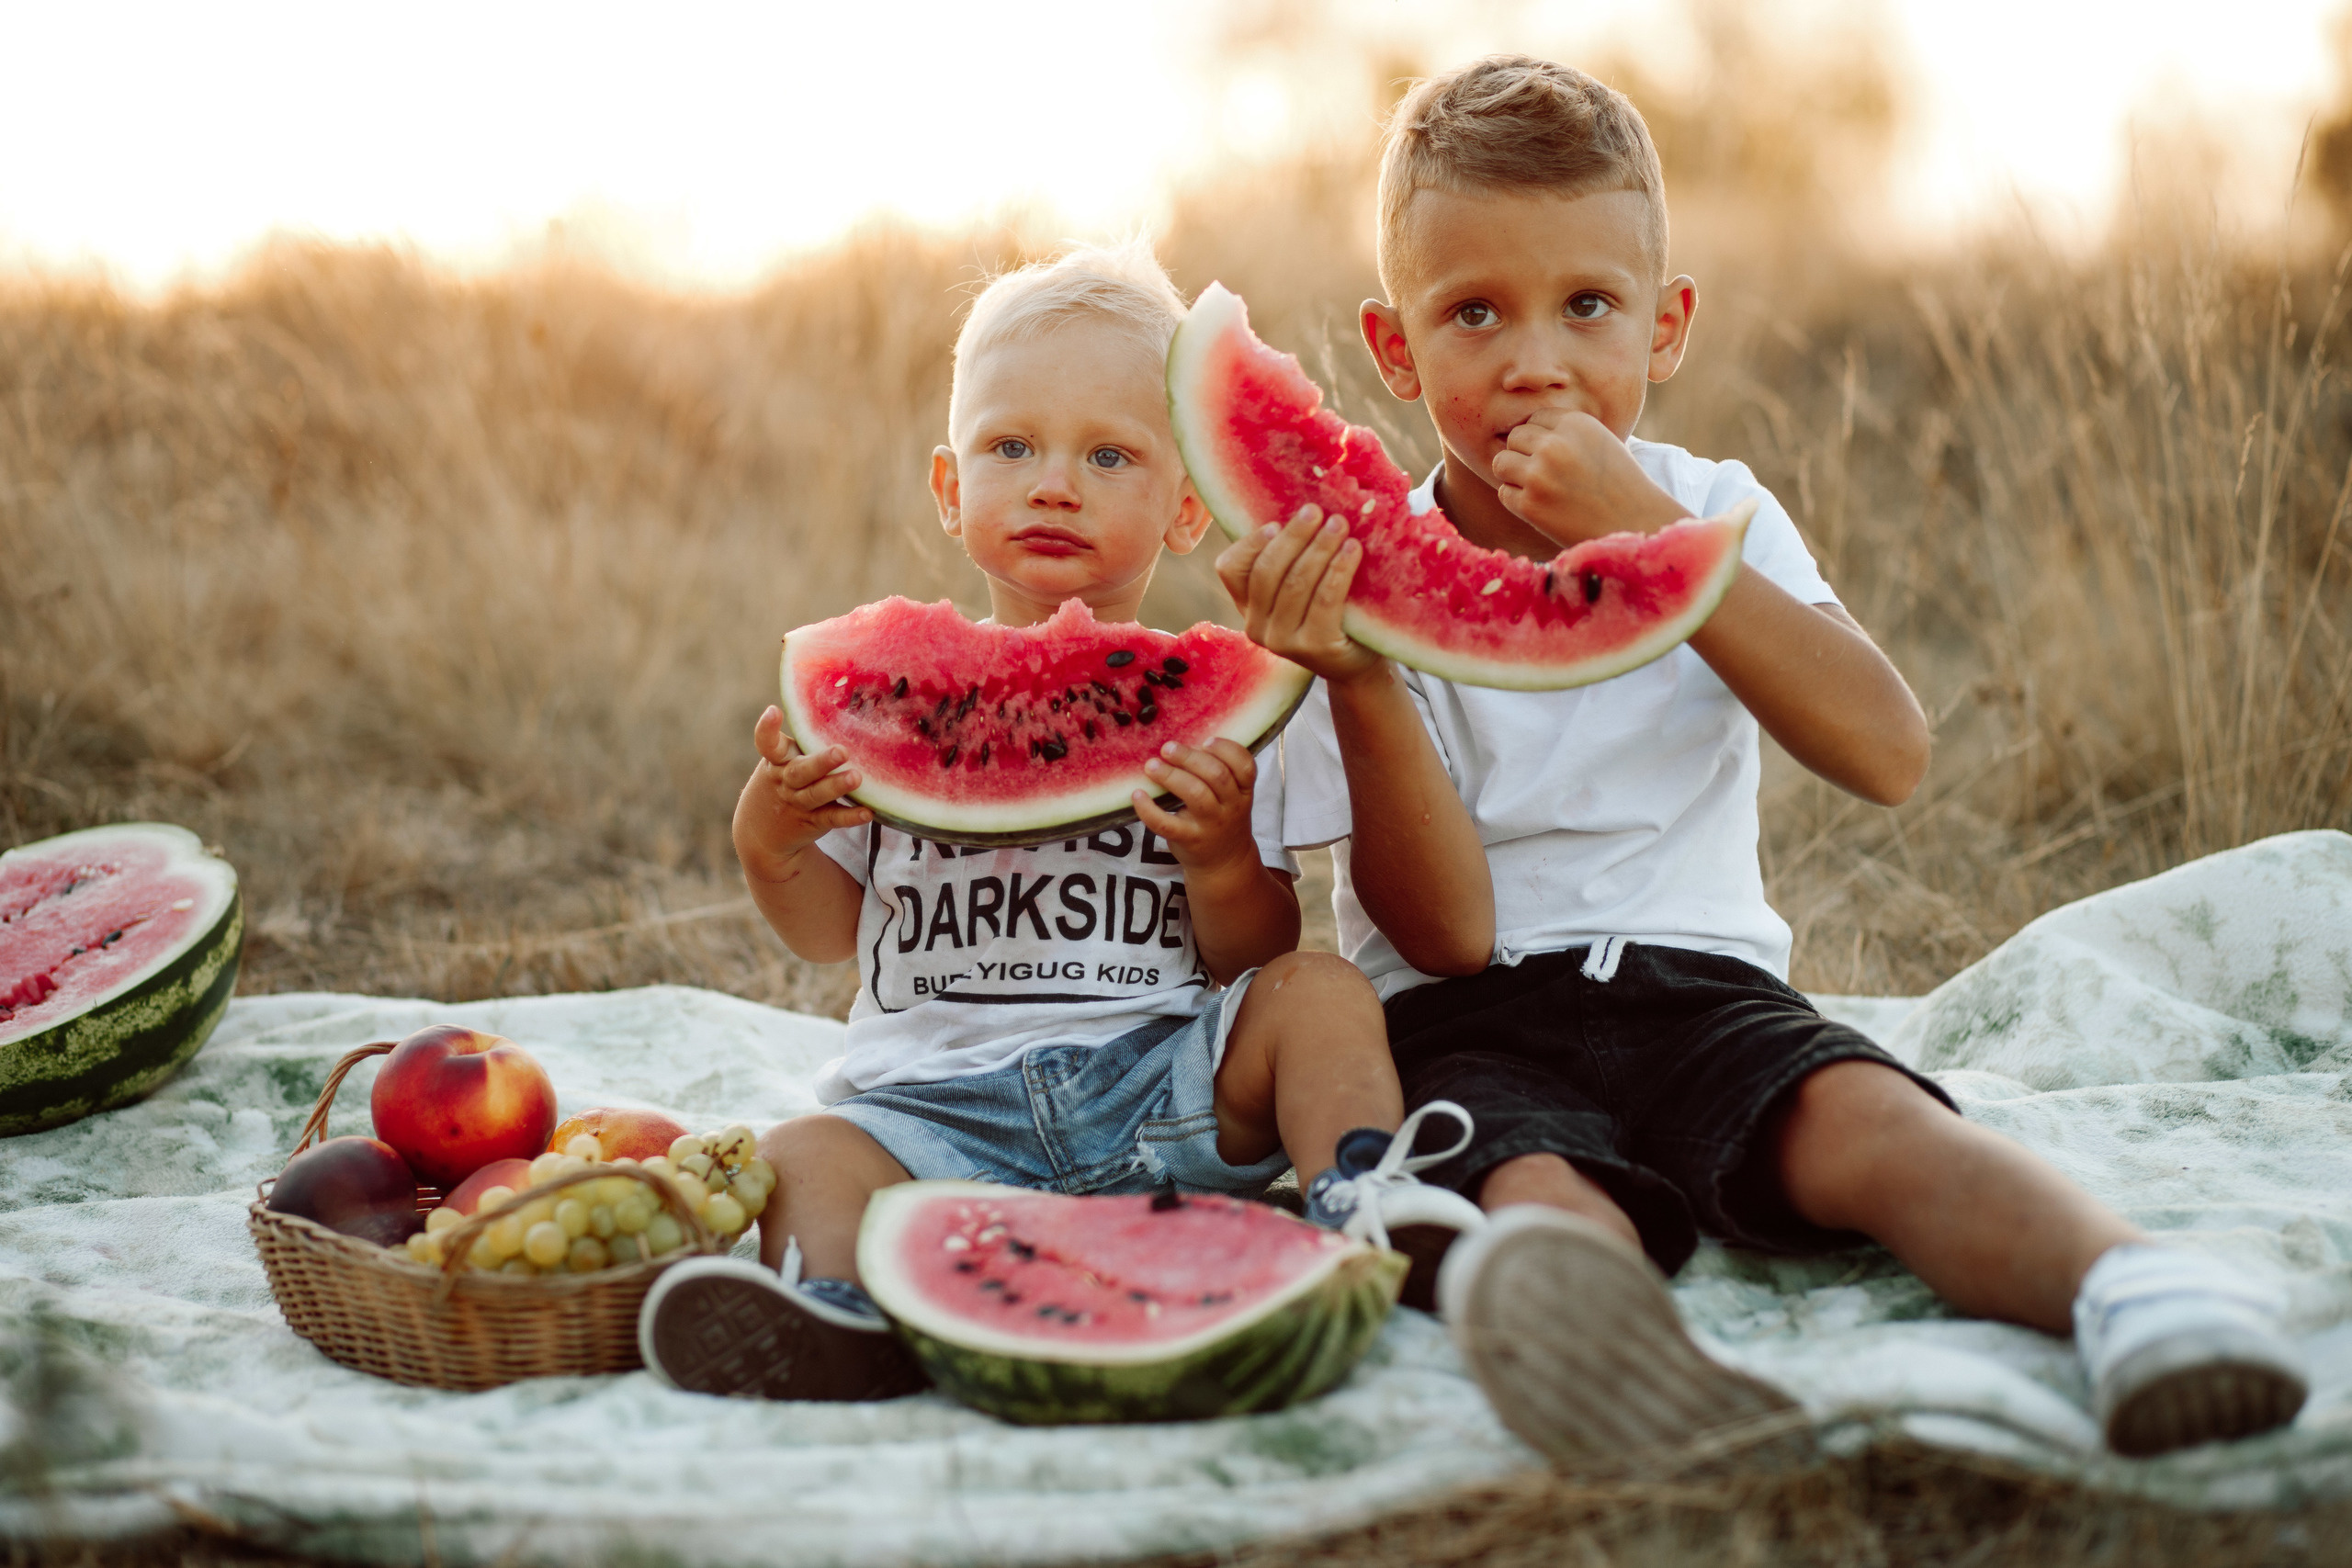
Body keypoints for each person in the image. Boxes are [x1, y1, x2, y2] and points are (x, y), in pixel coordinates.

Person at [1220, 55, 2308, 1464]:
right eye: (1473, 311)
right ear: (1394, 347)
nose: (1534, 358)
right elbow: (1447, 928)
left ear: (1666, 328)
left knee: (1879, 1130)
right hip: (1460, 1013)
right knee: (1534, 1184)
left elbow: (1887, 750)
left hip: (1706, 986)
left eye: (1587, 306)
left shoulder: (1720, 509)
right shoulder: (1347, 579)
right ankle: (1639, 1376)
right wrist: (1361, 670)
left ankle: (2137, 1288)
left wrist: (1667, 555)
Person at [639, 242, 1479, 1403]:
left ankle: (1368, 1197)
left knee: (1319, 996)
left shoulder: (1241, 709)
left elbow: (1254, 953)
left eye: (1109, 454)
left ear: (1188, 508)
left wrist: (1223, 855)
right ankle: (834, 1314)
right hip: (929, 1119)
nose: (1053, 482)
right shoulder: (877, 702)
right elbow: (825, 933)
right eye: (1011, 446)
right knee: (802, 1154)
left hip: (1162, 1093)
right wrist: (768, 837)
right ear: (949, 488)